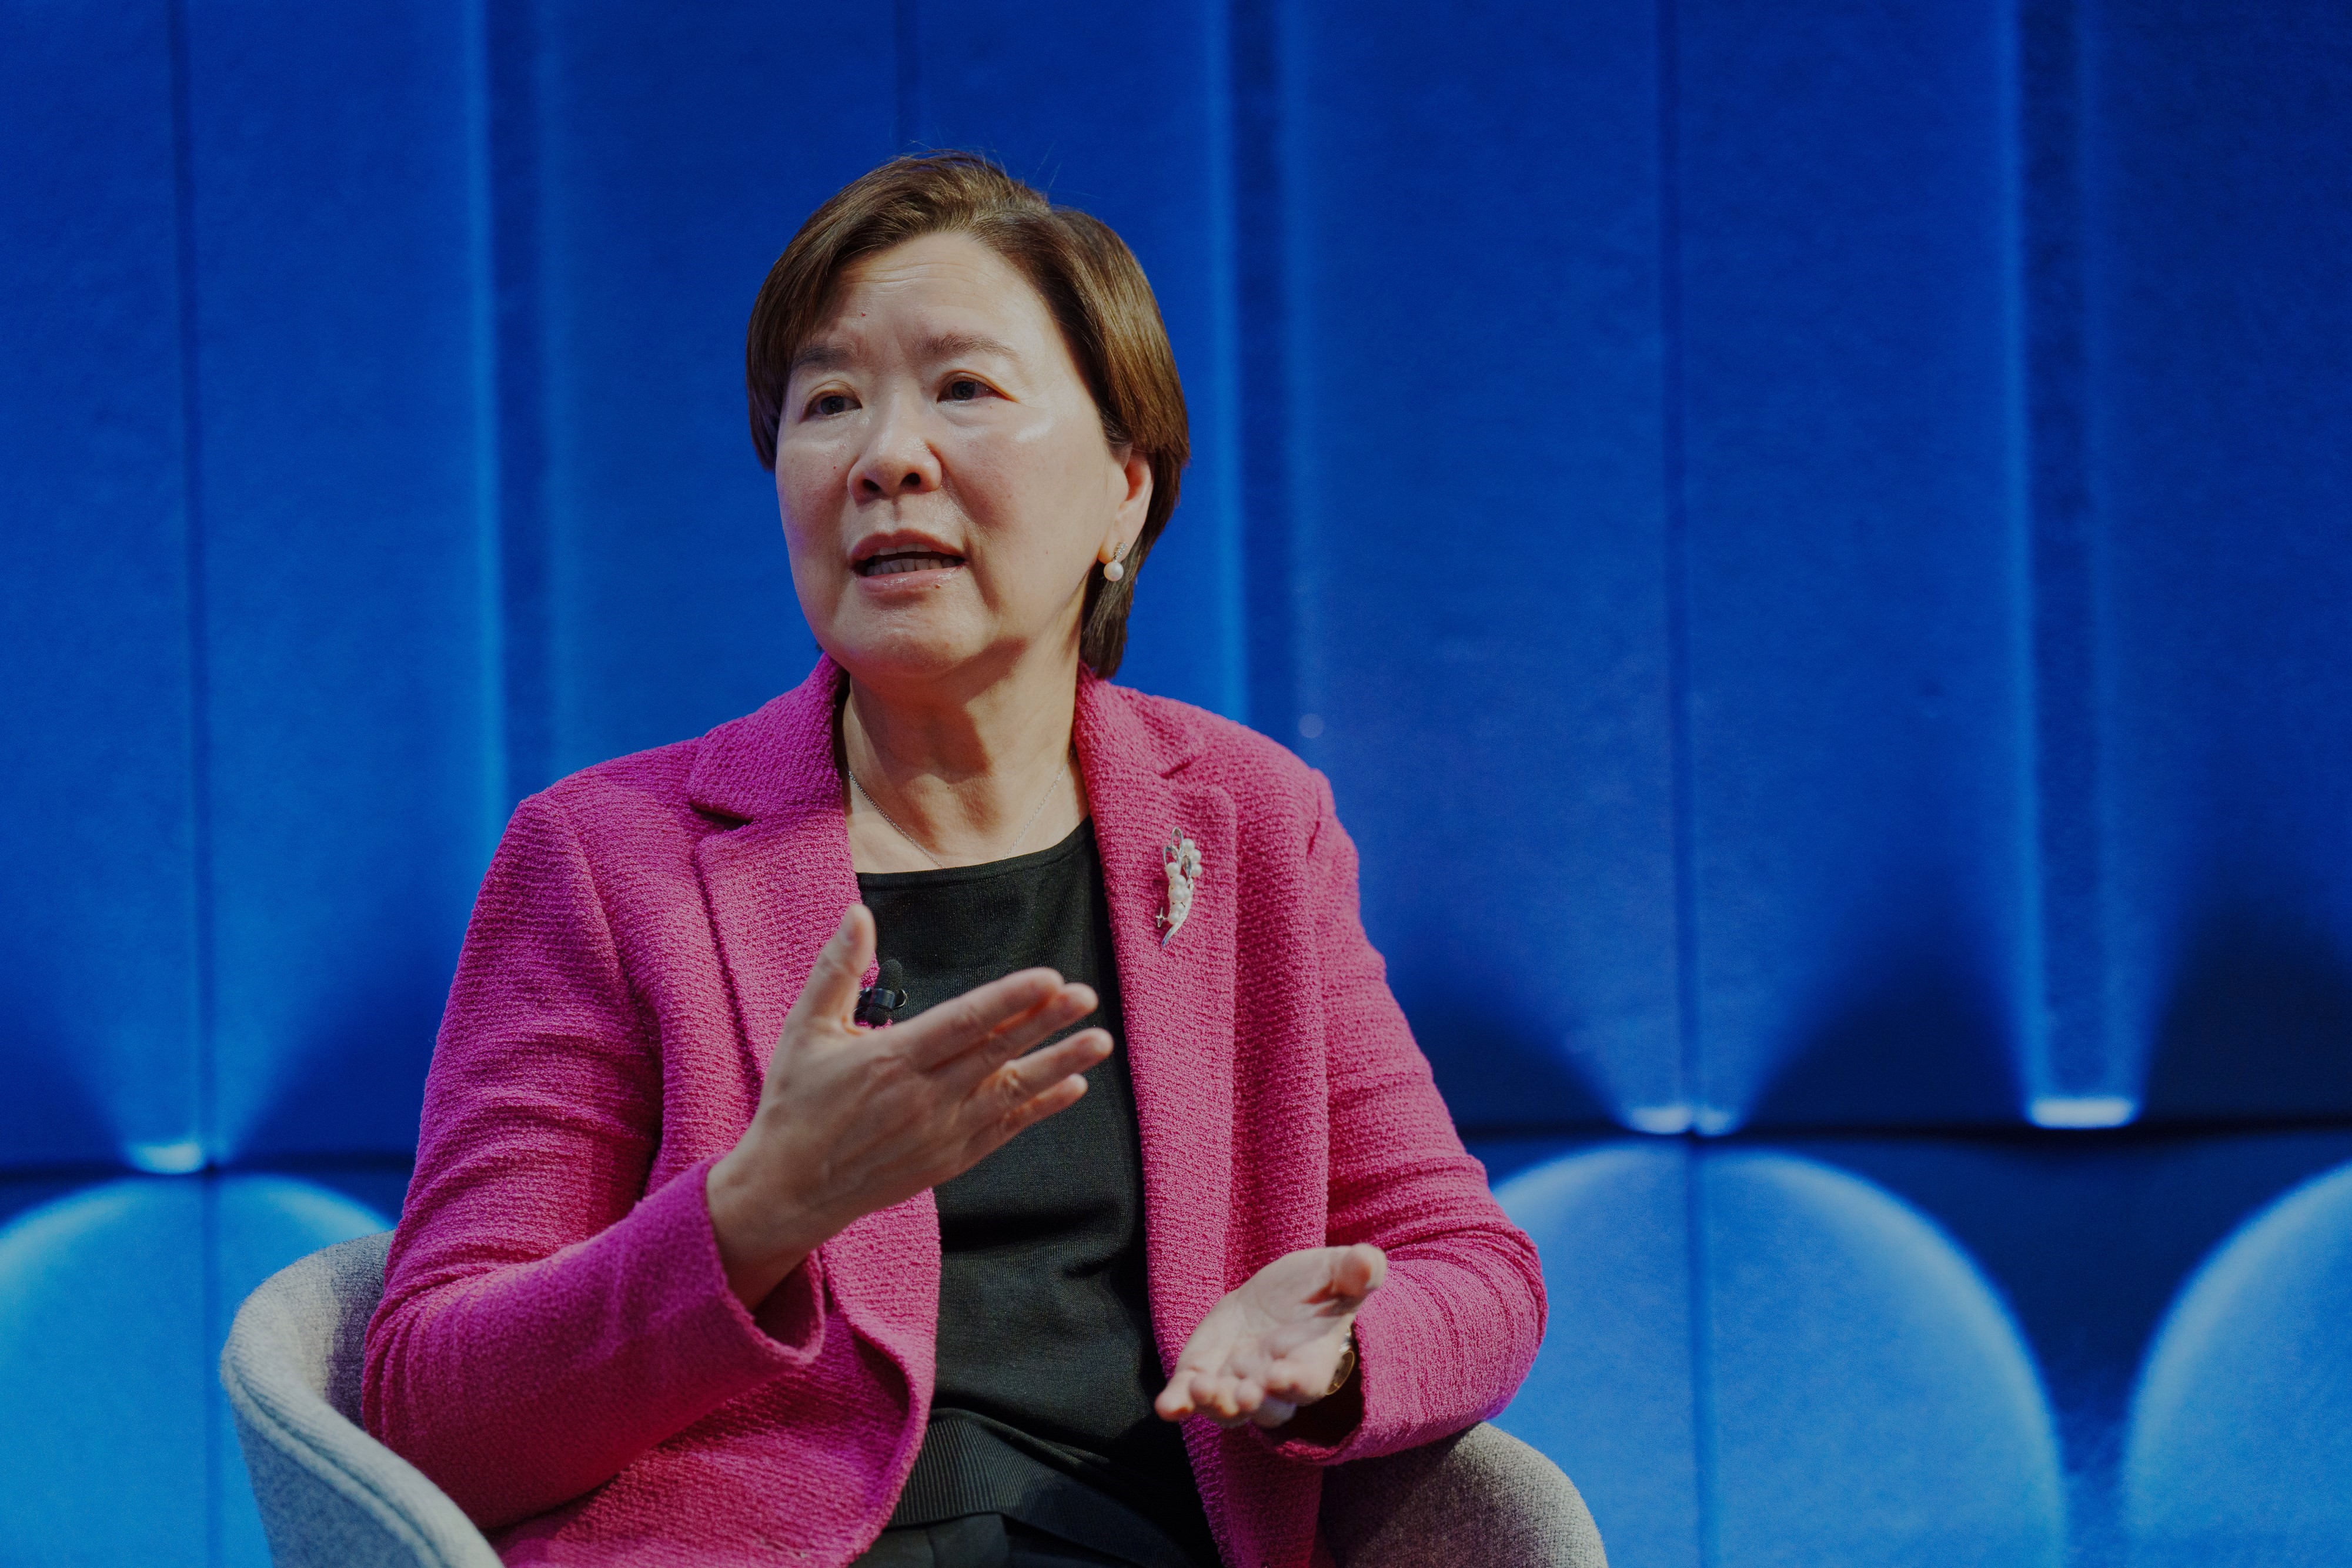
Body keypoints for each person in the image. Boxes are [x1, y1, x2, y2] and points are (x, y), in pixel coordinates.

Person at [364, 152, 1545, 1568]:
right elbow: (428, 1407)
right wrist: (748, 1217)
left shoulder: (1245, 824)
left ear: (1123, 487)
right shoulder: (611, 859)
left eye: (963, 388)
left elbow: (1474, 1273)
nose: (884, 455)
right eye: (828, 402)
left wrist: (1333, 1349)